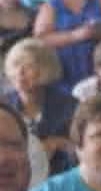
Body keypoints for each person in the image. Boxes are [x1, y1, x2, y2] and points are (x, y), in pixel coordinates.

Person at [33, 0, 101, 92]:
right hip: (62, 78)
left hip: (96, 76)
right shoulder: (50, 8)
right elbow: (40, 40)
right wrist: (76, 36)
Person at [4, 38, 77, 171]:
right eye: (15, 65)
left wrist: (60, 143)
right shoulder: (3, 107)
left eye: (28, 66)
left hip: (60, 175)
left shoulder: (70, 105)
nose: (19, 73)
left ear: (45, 69)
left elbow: (85, 151)